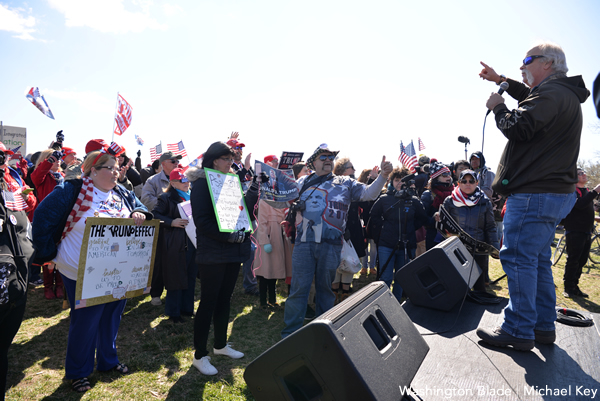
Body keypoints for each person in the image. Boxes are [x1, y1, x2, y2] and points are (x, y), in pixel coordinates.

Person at [476, 42, 590, 350]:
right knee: (537, 260)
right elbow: (531, 102)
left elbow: (520, 125)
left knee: (518, 258)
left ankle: (518, 328)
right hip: (552, 192)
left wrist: (498, 105)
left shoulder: (551, 94)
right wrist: (502, 79)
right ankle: (541, 327)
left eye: (528, 59)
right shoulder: (559, 94)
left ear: (549, 64)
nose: (522, 65)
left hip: (536, 192)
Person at [32, 142, 151, 393]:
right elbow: (42, 216)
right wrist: (48, 253)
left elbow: (140, 206)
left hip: (118, 271)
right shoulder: (72, 189)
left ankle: (108, 361)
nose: (116, 172)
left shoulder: (120, 192)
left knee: (111, 317)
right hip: (81, 270)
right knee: (85, 322)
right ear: (92, 170)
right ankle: (78, 371)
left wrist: (139, 212)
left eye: (117, 168)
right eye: (109, 168)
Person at [281, 144, 392, 338]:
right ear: (312, 162)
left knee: (326, 290)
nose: (328, 160)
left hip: (331, 244)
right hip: (305, 242)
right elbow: (280, 200)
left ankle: (322, 333)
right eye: (323, 157)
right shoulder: (301, 182)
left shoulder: (346, 182)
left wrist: (383, 176)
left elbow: (369, 194)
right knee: (299, 289)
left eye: (331, 157)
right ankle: (291, 335)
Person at [187, 141, 260, 376]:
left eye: (232, 159)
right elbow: (202, 221)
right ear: (214, 160)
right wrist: (229, 237)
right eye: (227, 159)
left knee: (225, 300)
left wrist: (255, 188)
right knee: (208, 302)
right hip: (213, 253)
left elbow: (242, 211)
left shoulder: (230, 181)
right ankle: (200, 355)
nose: (231, 163)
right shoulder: (200, 183)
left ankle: (220, 345)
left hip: (231, 251)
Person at [0, 147, 35, 401]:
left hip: (16, 272)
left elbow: (23, 213)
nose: (4, 160)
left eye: (4, 156)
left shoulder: (10, 178)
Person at [369, 167, 429, 302]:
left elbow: (422, 217)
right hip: (386, 244)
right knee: (386, 278)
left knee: (402, 278)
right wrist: (384, 230)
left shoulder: (413, 200)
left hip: (407, 244)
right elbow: (374, 215)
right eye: (397, 180)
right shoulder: (384, 199)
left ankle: (395, 304)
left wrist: (410, 228)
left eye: (403, 180)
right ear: (392, 181)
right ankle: (384, 304)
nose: (400, 183)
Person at [437, 170, 499, 292]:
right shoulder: (450, 201)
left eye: (471, 181)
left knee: (479, 286)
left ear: (477, 183)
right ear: (458, 183)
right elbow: (443, 225)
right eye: (464, 181)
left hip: (479, 249)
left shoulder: (485, 201)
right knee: (458, 285)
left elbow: (490, 227)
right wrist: (437, 217)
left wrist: (494, 247)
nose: (468, 184)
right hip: (457, 249)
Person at [152, 168, 197, 322]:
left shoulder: (193, 196)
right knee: (176, 278)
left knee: (190, 276)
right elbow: (154, 216)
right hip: (175, 244)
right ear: (172, 183)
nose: (186, 183)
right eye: (182, 180)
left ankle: (187, 309)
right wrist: (172, 222)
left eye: (187, 179)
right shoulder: (165, 197)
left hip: (192, 241)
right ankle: (173, 313)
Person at [141, 151, 183, 305]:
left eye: (177, 162)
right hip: (161, 226)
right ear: (163, 163)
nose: (176, 164)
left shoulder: (181, 178)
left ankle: (175, 292)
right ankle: (156, 293)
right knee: (159, 261)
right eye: (173, 161)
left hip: (179, 226)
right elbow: (145, 199)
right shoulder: (153, 180)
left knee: (178, 260)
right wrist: (167, 206)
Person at [331, 157, 365, 303]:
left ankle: (344, 294)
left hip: (353, 229)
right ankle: (333, 296)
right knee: (335, 263)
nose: (354, 170)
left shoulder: (354, 185)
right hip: (336, 228)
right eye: (351, 168)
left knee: (350, 260)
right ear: (342, 170)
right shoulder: (332, 185)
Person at [561, 169, 600, 298]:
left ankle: (574, 286)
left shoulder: (586, 191)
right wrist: (596, 191)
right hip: (574, 230)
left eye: (584, 172)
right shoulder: (572, 191)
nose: (584, 174)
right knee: (573, 259)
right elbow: (580, 205)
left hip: (586, 231)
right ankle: (568, 288)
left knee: (582, 260)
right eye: (580, 173)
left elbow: (588, 207)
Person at [420, 162, 454, 250]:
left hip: (452, 238)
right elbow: (422, 219)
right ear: (436, 177)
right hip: (434, 239)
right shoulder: (428, 195)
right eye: (444, 174)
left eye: (449, 174)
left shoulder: (455, 193)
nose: (448, 177)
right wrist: (434, 219)